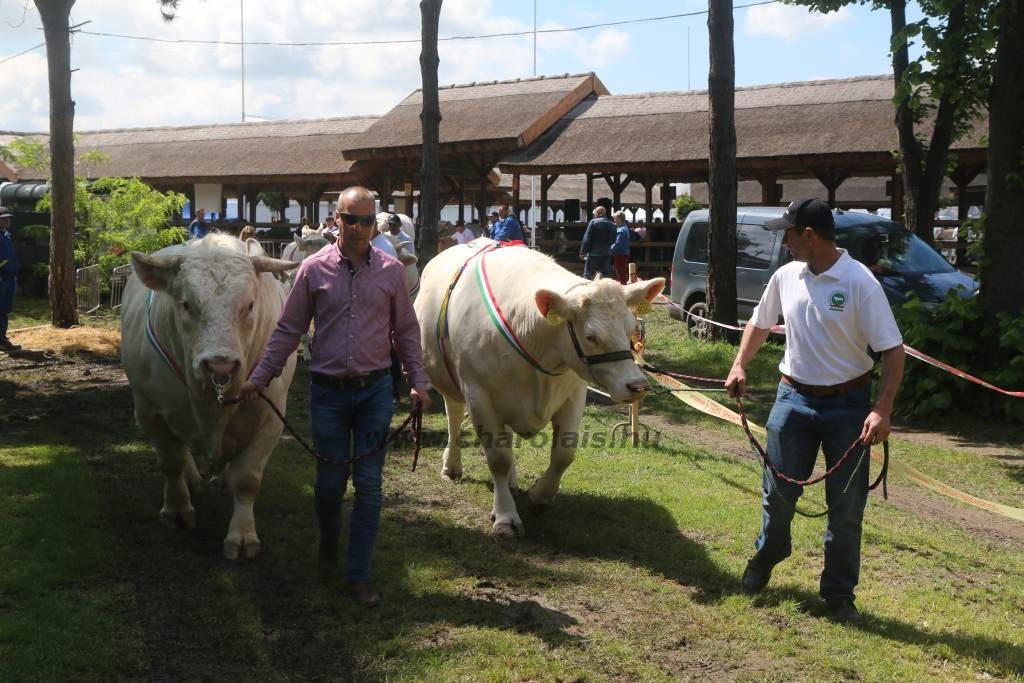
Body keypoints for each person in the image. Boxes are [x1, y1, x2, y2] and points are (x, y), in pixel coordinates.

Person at [238, 186, 431, 607]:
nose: (359, 229)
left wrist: (418, 380)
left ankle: (358, 573)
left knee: (369, 485)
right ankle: (328, 542)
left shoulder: (391, 270)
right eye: (351, 219)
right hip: (327, 393)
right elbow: (288, 330)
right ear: (336, 220)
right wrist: (259, 376)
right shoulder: (312, 269)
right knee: (327, 486)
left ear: (374, 221)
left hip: (375, 392)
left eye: (366, 220)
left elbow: (406, 331)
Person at [724, 197, 905, 625]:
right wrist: (739, 363)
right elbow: (760, 322)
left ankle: (839, 594)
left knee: (845, 507)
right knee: (778, 493)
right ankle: (769, 553)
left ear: (808, 235)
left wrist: (882, 409)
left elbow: (893, 351)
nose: (783, 242)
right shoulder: (787, 276)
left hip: (848, 406)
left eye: (788, 233)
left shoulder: (860, 283)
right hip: (793, 399)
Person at [0, 207, 21, 352]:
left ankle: (2, 338)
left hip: (10, 277)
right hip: (1, 277)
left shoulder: (6, 234)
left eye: (9, 218)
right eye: (4, 218)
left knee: (5, 310)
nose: (8, 221)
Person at [578, 206, 616, 279]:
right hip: (606, 253)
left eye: (595, 213)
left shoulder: (593, 222)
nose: (594, 215)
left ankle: (588, 290)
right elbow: (614, 239)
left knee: (588, 275)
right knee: (606, 276)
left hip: (593, 254)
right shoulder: (612, 224)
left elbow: (587, 238)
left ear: (598, 213)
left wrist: (582, 252)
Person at [610, 210, 632, 284]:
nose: (614, 220)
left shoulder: (621, 231)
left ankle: (623, 288)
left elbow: (618, 244)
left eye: (615, 218)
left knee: (620, 273)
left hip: (620, 254)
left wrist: (610, 250)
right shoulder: (624, 228)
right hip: (623, 253)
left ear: (619, 218)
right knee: (621, 272)